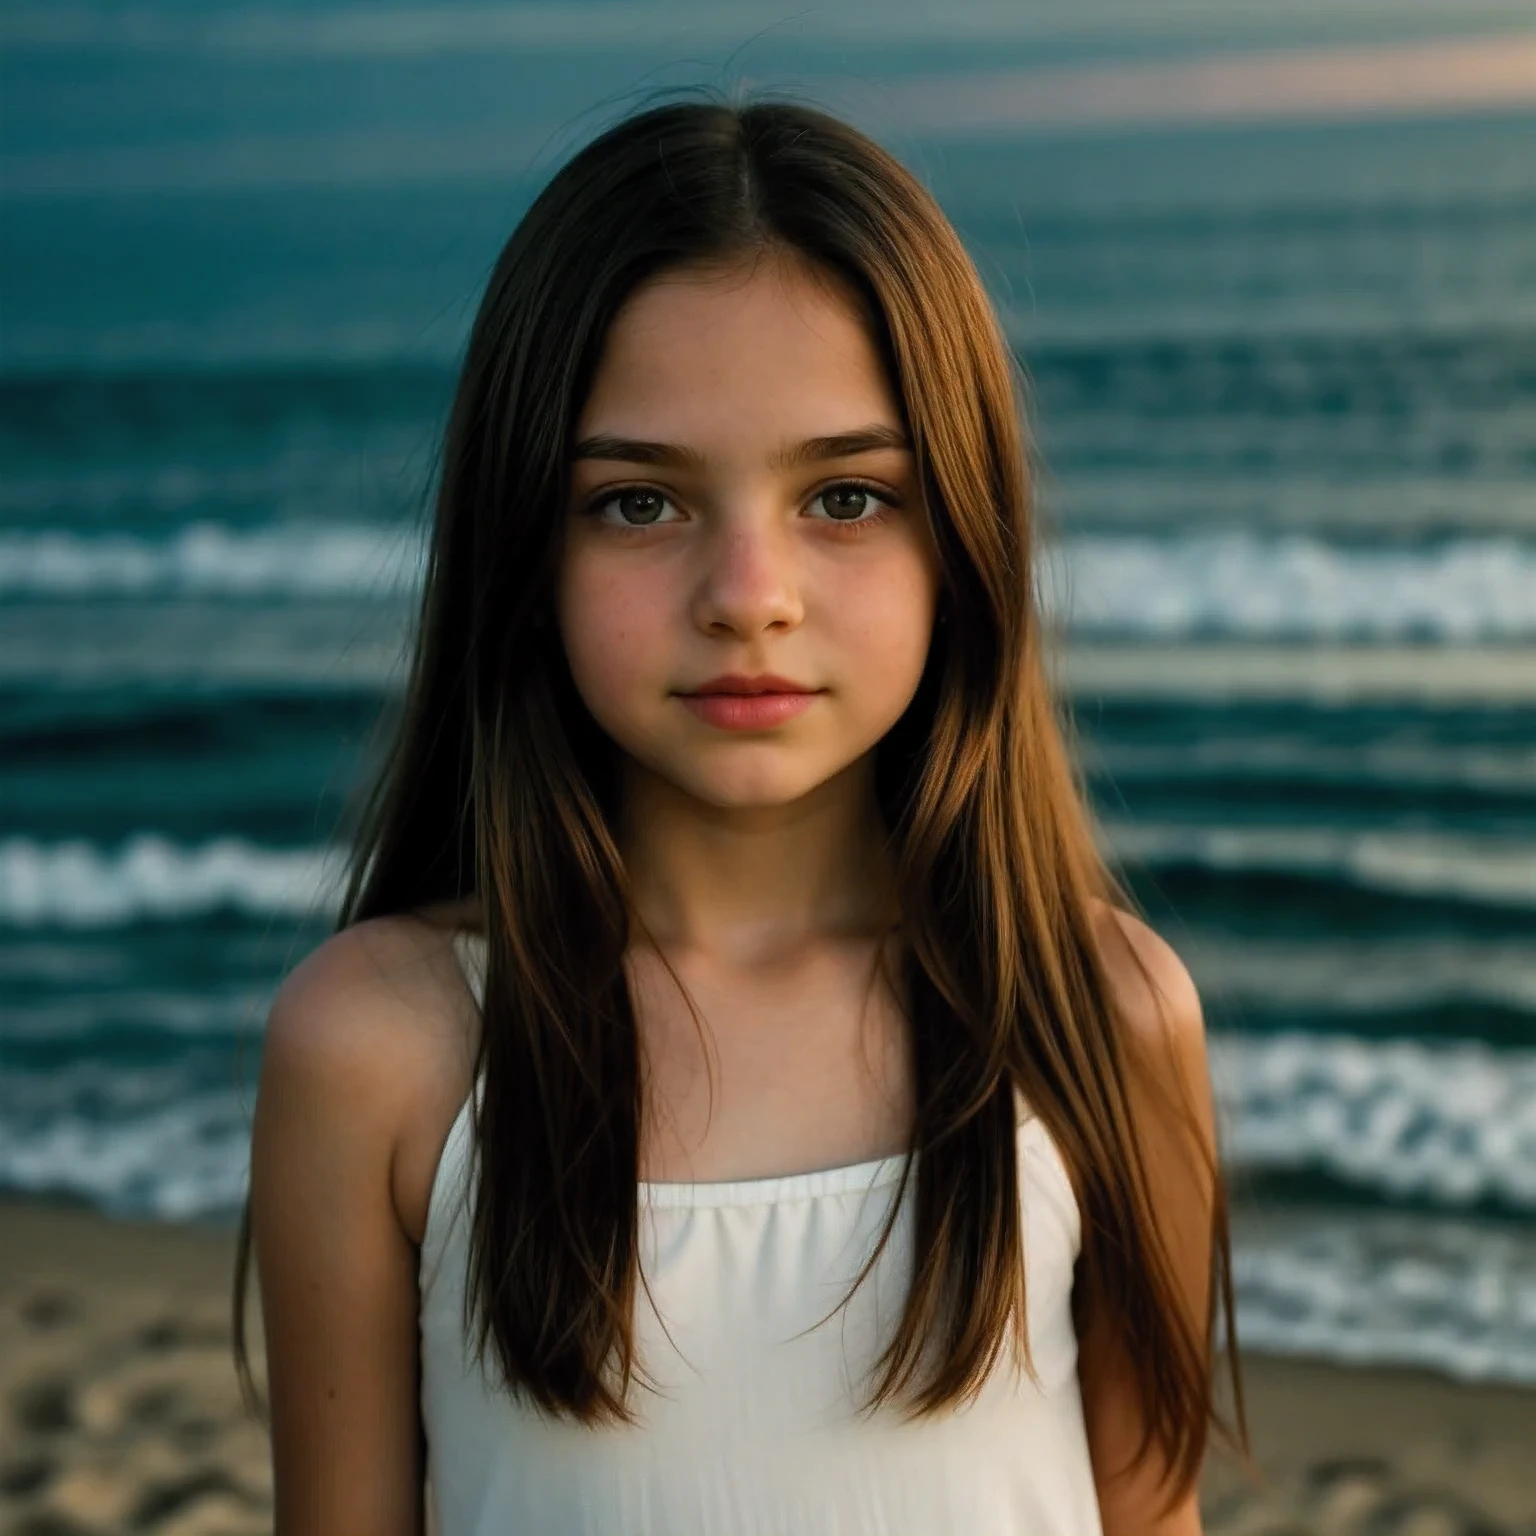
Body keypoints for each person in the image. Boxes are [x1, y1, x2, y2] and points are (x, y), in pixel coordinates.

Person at [233, 95, 1243, 1535]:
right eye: (639, 505)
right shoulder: (384, 1049)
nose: (748, 593)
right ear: (524, 540)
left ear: (965, 533)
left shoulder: (1096, 1013)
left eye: (845, 495)